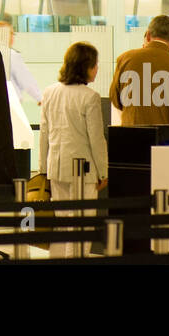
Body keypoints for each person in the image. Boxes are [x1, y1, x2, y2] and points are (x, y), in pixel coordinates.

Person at [40, 41, 109, 259]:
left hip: (56, 167)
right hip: (83, 171)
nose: (97, 69)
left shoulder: (50, 92)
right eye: (95, 65)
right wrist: (104, 171)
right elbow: (96, 139)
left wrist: (43, 169)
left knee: (63, 224)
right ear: (85, 66)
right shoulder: (90, 97)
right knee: (81, 225)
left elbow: (44, 134)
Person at [108, 14, 169, 145]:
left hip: (131, 141)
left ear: (147, 36)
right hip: (166, 146)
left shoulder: (125, 59)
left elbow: (116, 100)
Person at [0, 14, 43, 104]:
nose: (13, 37)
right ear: (5, 35)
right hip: (11, 104)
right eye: (12, 34)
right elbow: (26, 80)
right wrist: (40, 98)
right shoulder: (11, 55)